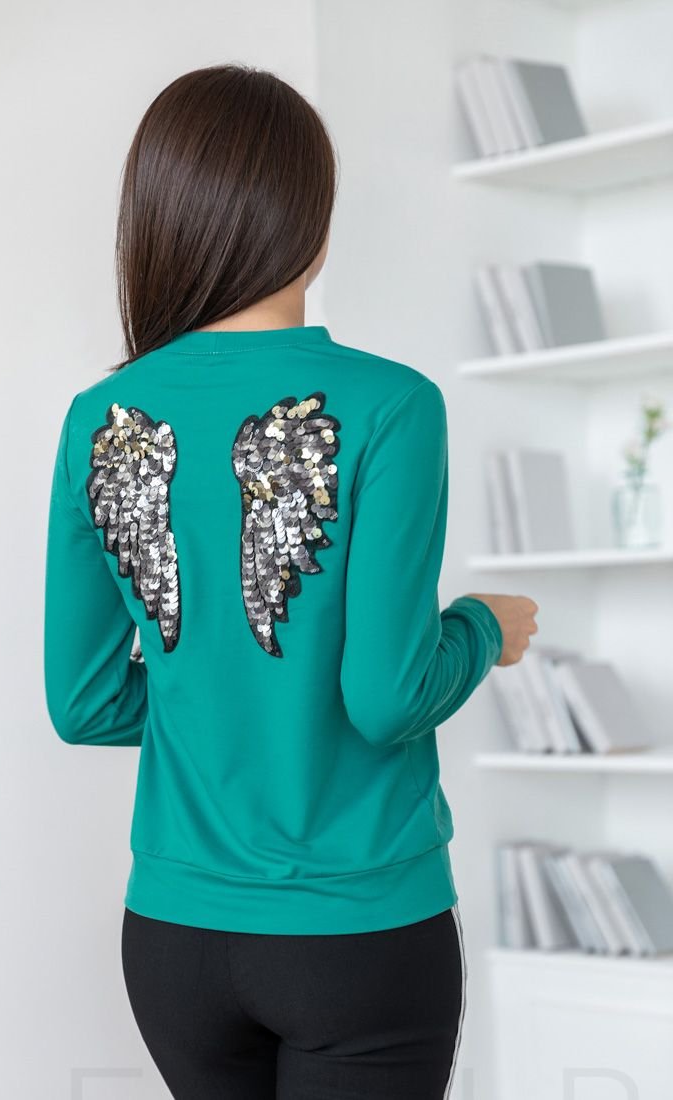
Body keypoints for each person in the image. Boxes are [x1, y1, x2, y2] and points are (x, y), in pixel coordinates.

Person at [43, 62, 538, 1100]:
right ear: (310, 221)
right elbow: (385, 696)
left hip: (173, 938)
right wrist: (482, 627)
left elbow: (83, 704)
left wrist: (222, 699)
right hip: (356, 931)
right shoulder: (390, 405)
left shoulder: (101, 419)